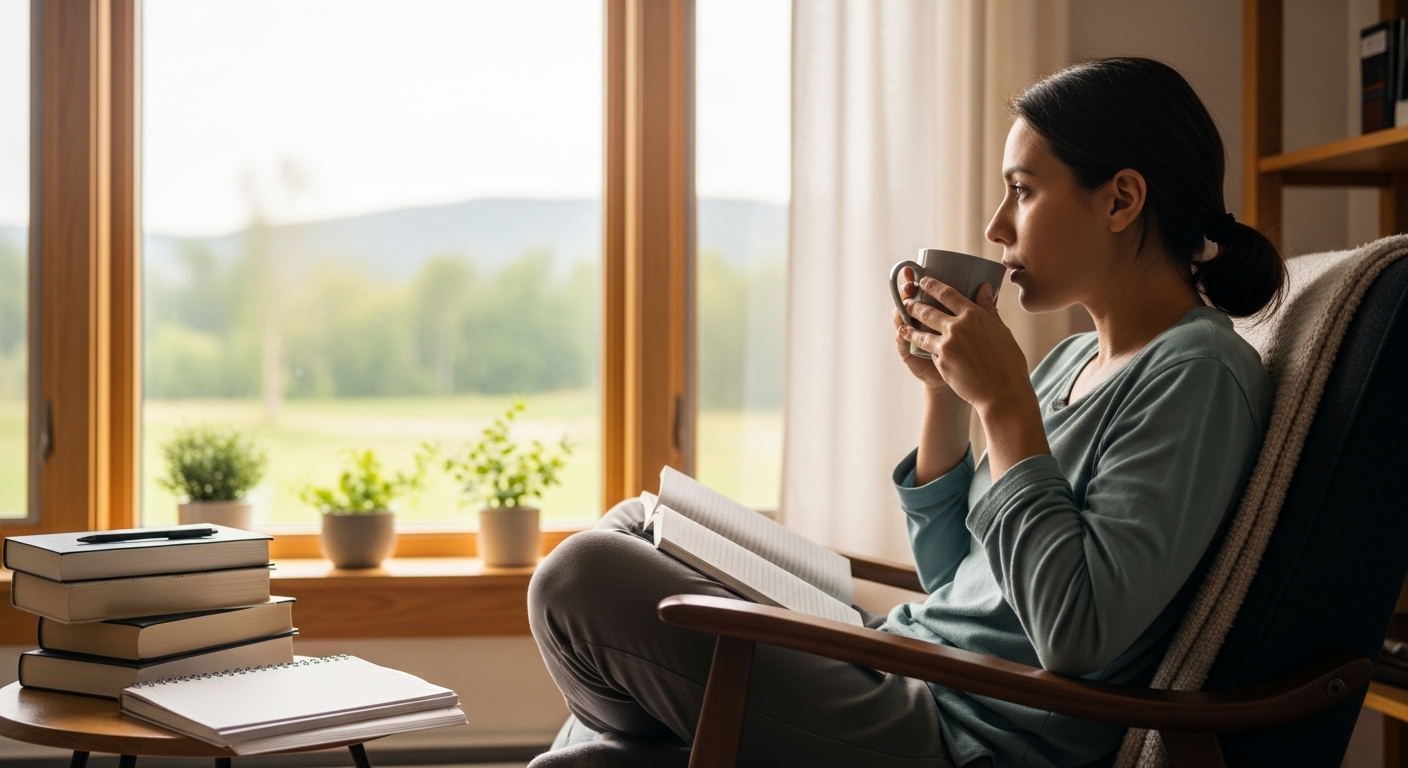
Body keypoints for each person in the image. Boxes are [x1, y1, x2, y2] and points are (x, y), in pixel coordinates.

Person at [526, 57, 1282, 768]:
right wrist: (945, 399)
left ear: (1120, 199)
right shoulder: (1069, 363)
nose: (996, 226)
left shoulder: (1199, 376)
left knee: (579, 577)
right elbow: (959, 577)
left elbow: (1077, 634)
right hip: (905, 660)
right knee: (632, 524)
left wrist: (1006, 404)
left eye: (1022, 190)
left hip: (963, 728)